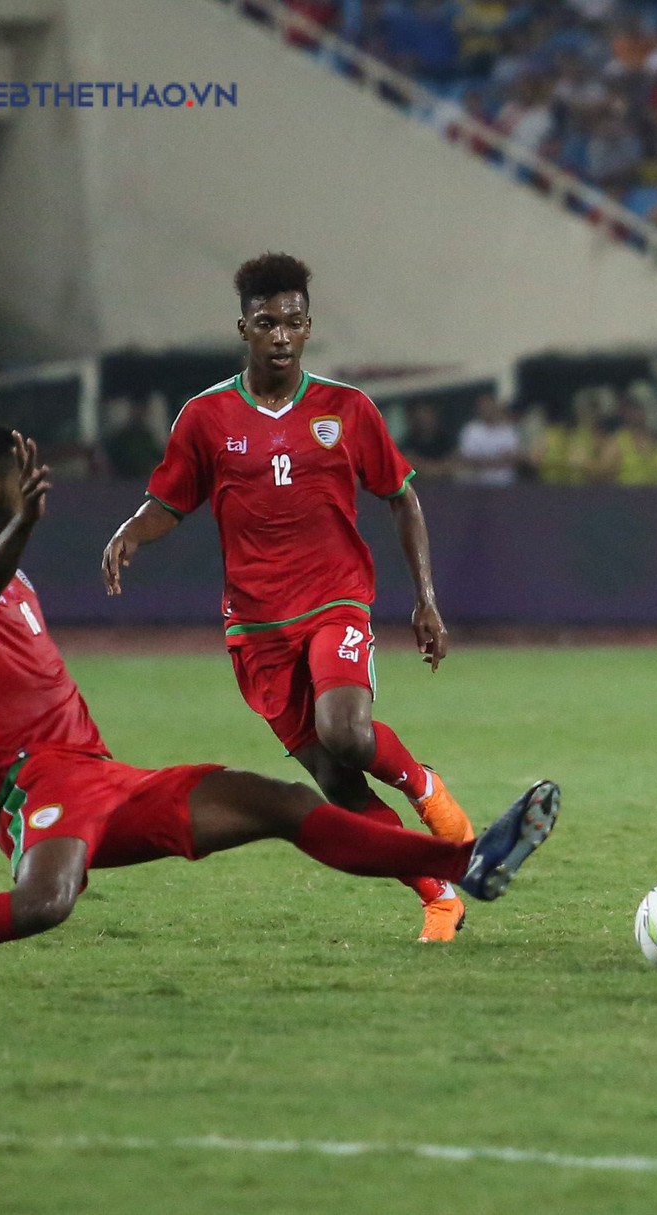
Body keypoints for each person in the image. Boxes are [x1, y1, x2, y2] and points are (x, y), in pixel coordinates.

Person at [0, 422, 558, 1000]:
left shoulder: (1, 573)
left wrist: (15, 537)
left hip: (102, 777)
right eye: (16, 479)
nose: (25, 489)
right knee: (46, 902)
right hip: (37, 785)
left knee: (279, 801)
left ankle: (466, 866)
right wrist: (20, 529)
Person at [98, 253, 475, 944]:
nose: (280, 335)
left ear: (308, 329)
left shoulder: (347, 409)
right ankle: (438, 893)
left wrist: (425, 597)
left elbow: (402, 497)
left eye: (293, 323)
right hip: (256, 627)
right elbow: (169, 501)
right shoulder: (205, 417)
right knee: (338, 783)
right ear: (244, 327)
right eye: (267, 323)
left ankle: (424, 786)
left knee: (346, 731)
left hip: (336, 601)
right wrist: (131, 532)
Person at [454, 391, 526, 486]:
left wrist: (482, 460)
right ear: (478, 409)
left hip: (504, 484)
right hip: (476, 486)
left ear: (495, 407)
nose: (486, 409)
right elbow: (466, 459)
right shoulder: (470, 430)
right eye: (483, 407)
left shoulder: (508, 431)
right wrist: (497, 460)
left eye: (489, 406)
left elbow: (514, 459)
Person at [101, 396, 165, 482]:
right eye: (136, 411)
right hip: (121, 478)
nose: (139, 414)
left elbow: (156, 455)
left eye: (141, 411)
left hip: (141, 479)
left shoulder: (146, 436)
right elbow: (112, 455)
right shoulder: (121, 436)